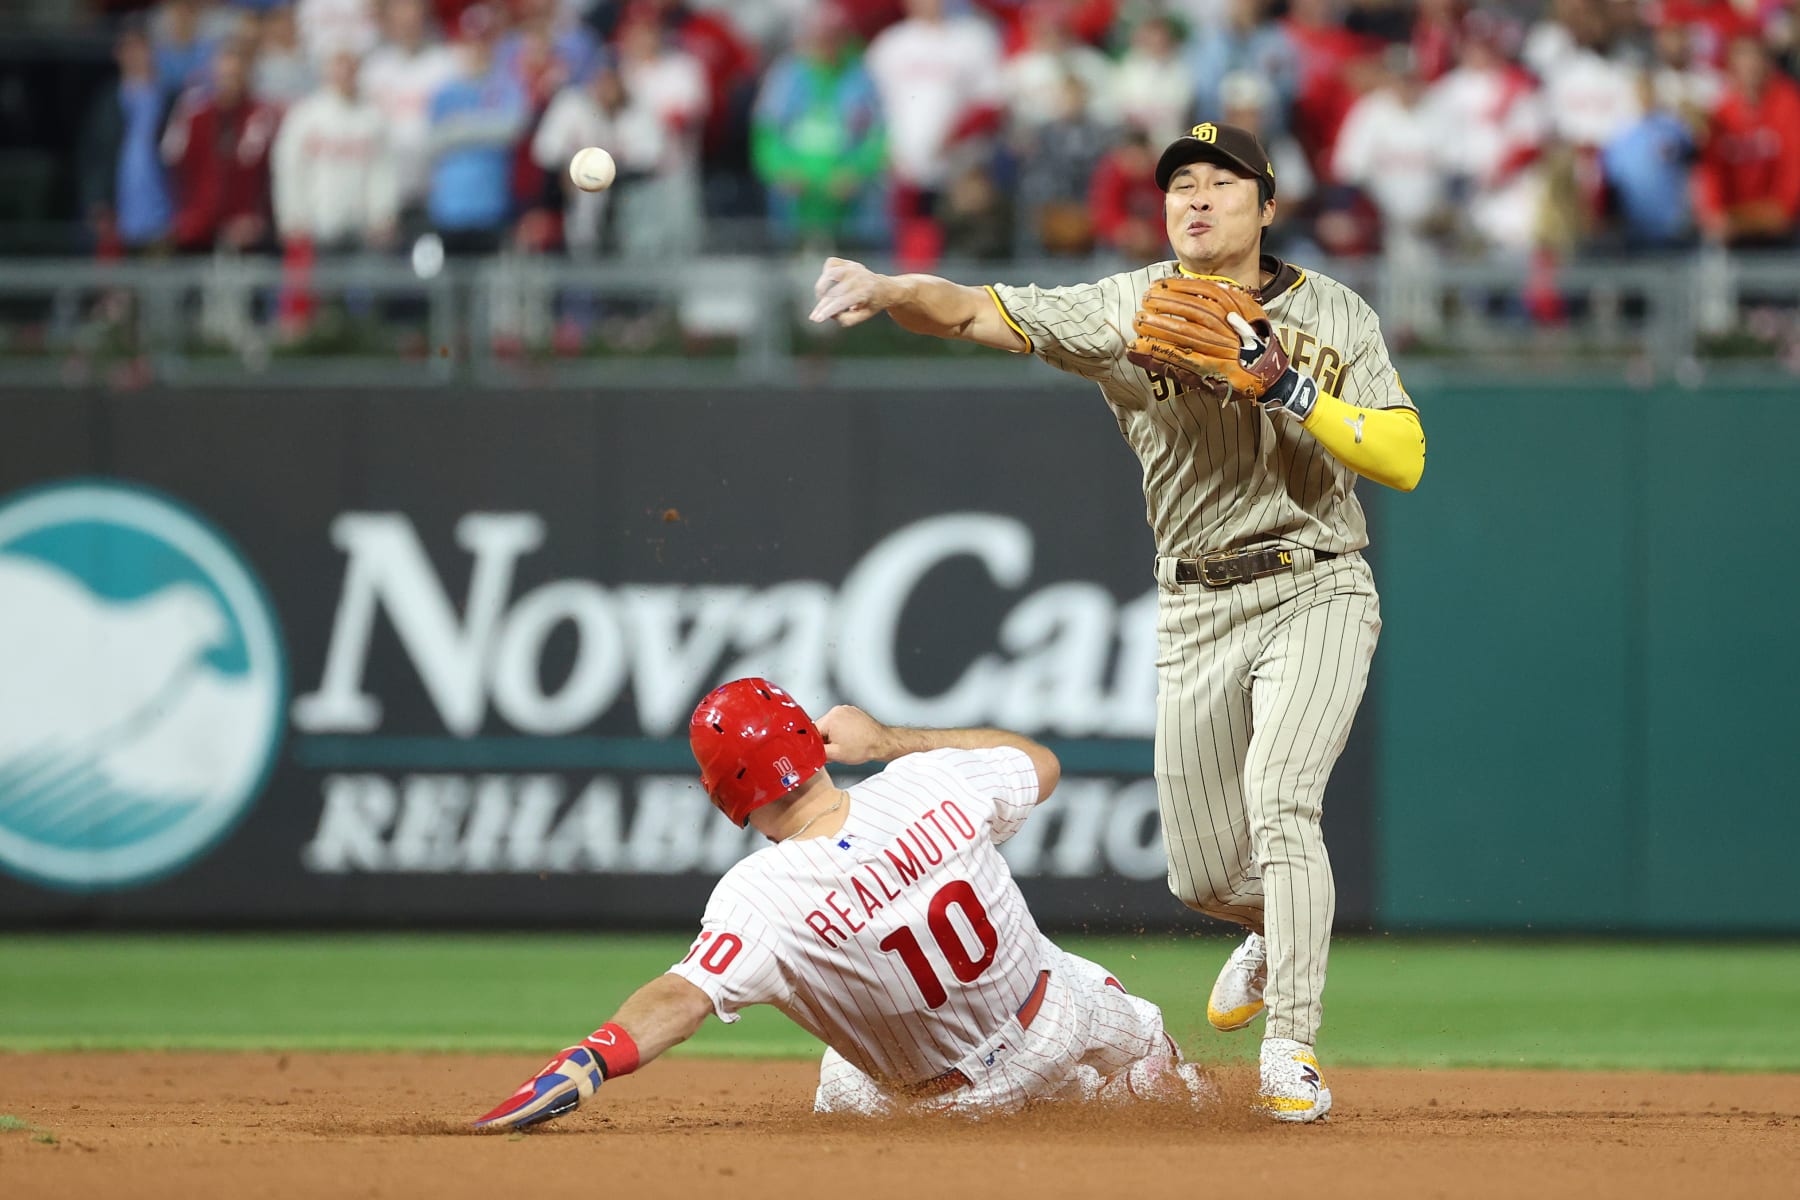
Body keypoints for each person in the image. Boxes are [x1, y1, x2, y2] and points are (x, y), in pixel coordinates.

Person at [806, 122, 1427, 1124]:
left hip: (1315, 580)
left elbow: (1403, 457)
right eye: (1182, 182)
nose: (1197, 196)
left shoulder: (1335, 312)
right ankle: (1279, 923)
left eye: (1224, 183)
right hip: (1193, 603)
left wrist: (1291, 388)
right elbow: (972, 313)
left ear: (1266, 208)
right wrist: (891, 287)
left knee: (1280, 802)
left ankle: (1291, 1049)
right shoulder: (1124, 306)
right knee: (1199, 870)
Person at [473, 678, 1211, 1128]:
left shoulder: (759, 895)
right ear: (813, 739)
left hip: (950, 1107)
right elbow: (1041, 764)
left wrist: (590, 1062)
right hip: (1060, 1019)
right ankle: (1165, 1089)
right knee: (1117, 1014)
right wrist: (888, 738)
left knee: (844, 1078)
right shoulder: (929, 781)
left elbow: (683, 997)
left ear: (727, 796)